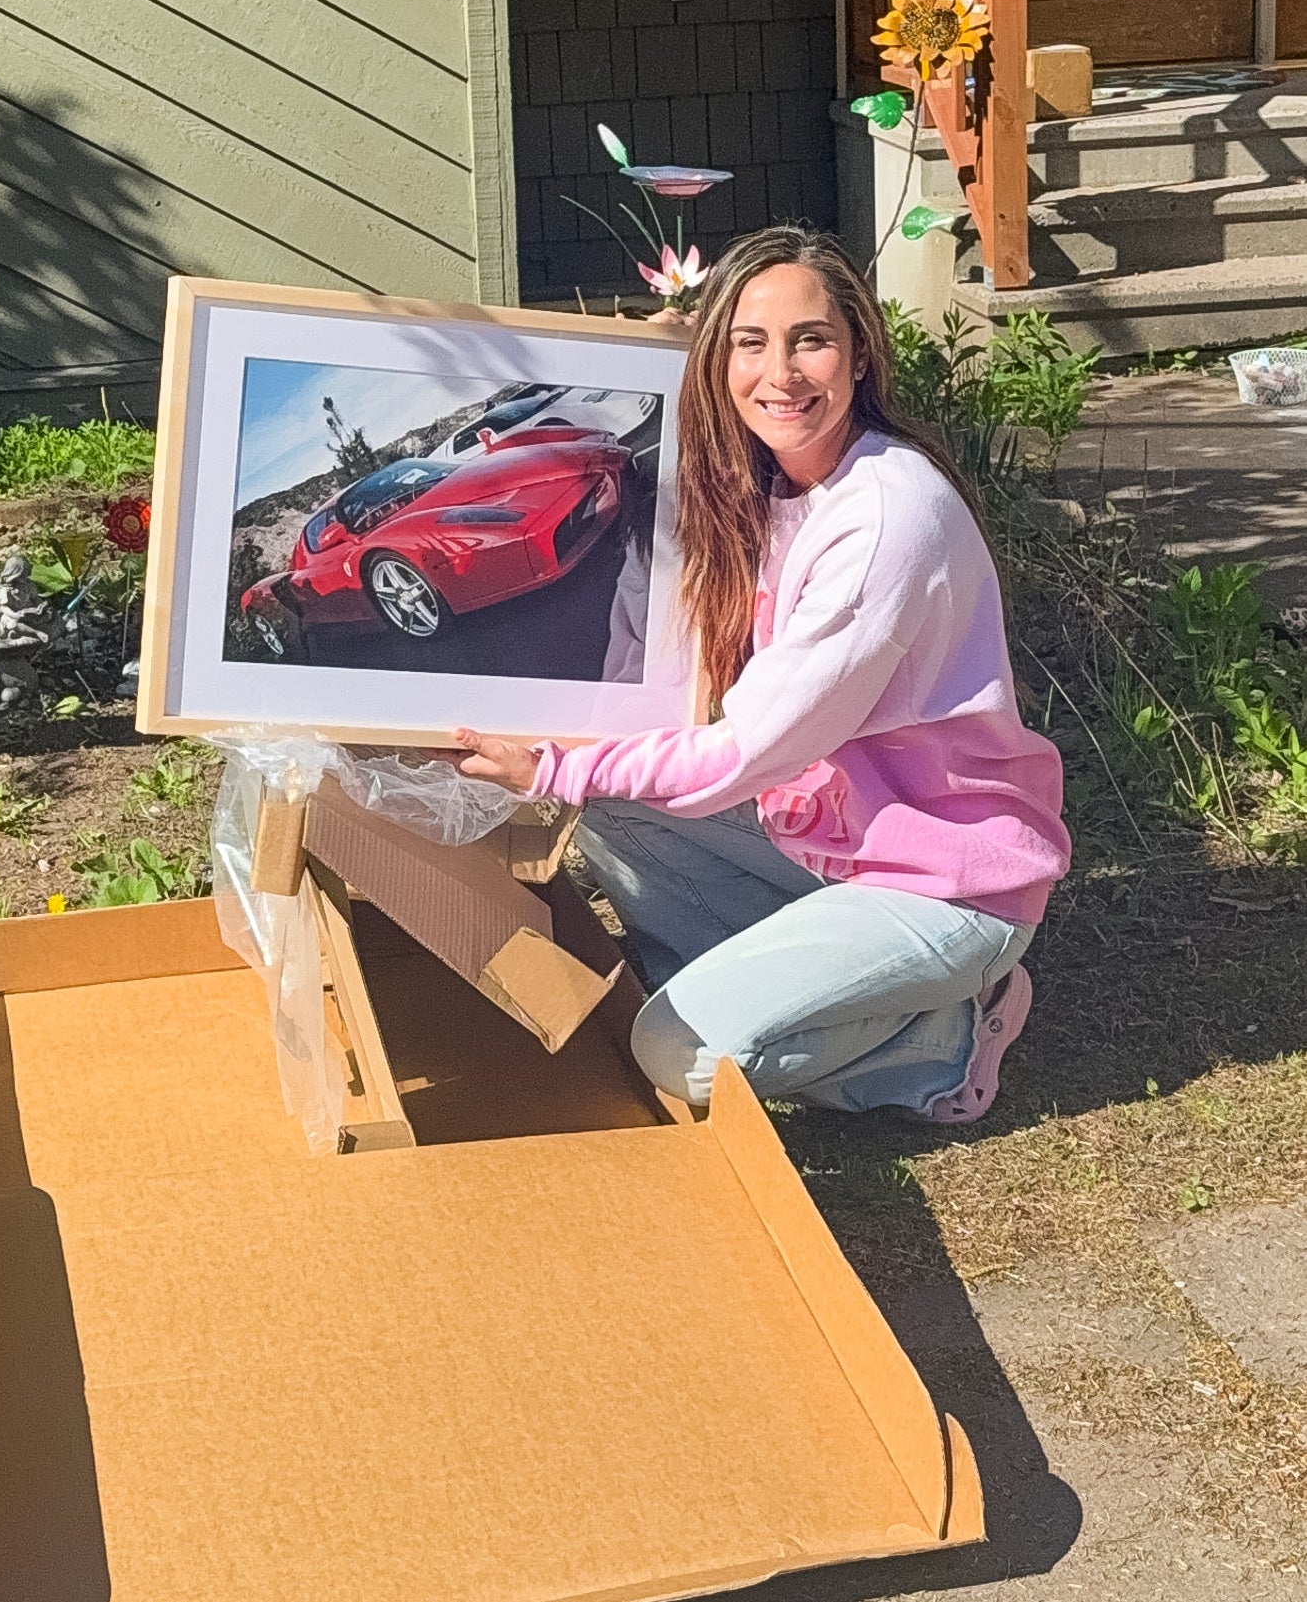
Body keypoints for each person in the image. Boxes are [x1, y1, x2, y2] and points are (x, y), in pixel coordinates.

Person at [456, 226, 1069, 1125]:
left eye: (810, 340)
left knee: (674, 1048)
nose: (780, 372)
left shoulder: (886, 522)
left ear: (858, 355)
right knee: (616, 803)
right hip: (839, 838)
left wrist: (550, 766)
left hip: (948, 881)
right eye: (750, 342)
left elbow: (749, 747)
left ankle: (935, 1039)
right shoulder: (775, 485)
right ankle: (814, 981)